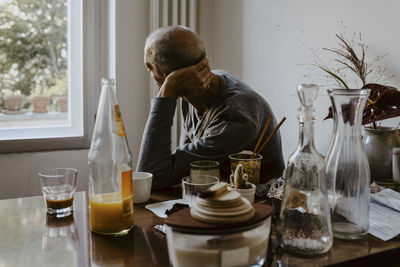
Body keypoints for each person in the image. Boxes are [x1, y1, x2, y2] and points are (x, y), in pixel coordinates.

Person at [137, 25, 285, 189]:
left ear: (168, 78)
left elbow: (152, 177)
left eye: (149, 67)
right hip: (212, 198)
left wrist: (166, 95)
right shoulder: (195, 92)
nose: (149, 73)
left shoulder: (237, 116)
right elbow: (180, 172)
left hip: (255, 205)